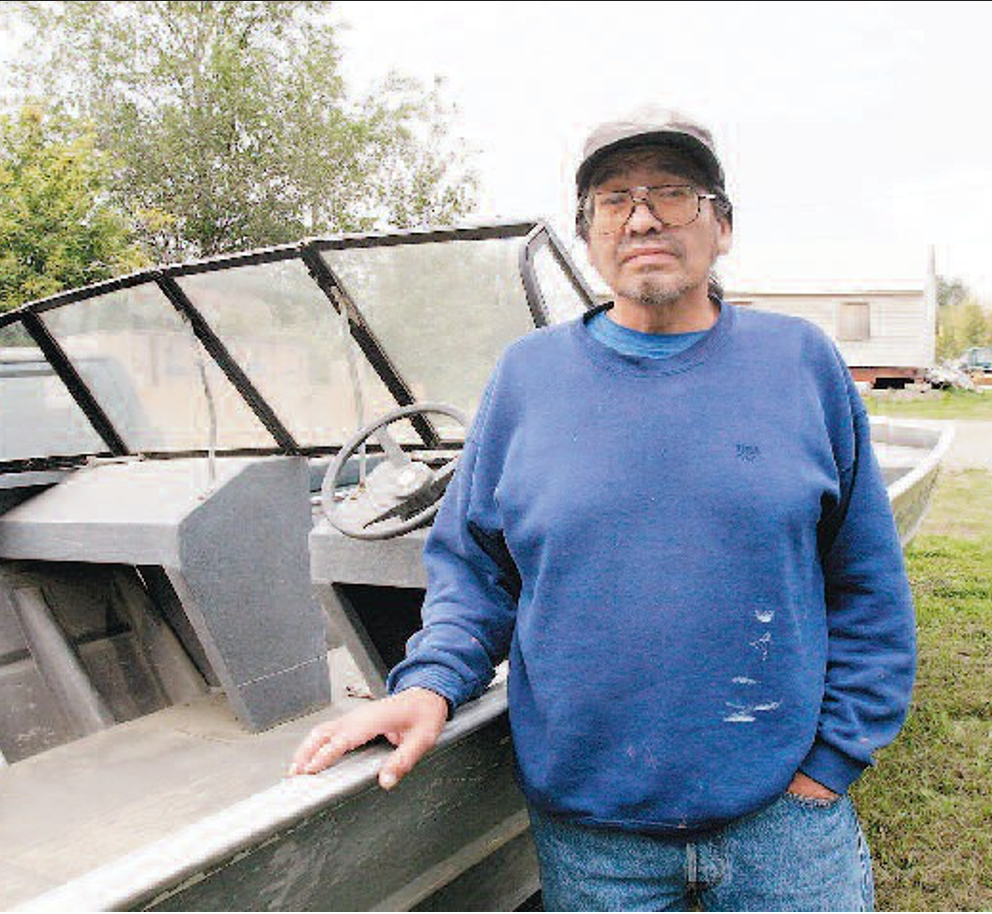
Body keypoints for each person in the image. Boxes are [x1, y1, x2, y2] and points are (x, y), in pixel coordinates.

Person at [290, 106, 916, 912]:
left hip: (784, 822)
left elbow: (865, 579)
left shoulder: (800, 363)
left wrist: (830, 763)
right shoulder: (525, 379)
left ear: (721, 227)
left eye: (674, 193)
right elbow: (476, 574)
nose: (644, 216)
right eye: (614, 199)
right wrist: (432, 684)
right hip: (593, 837)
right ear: (587, 238)